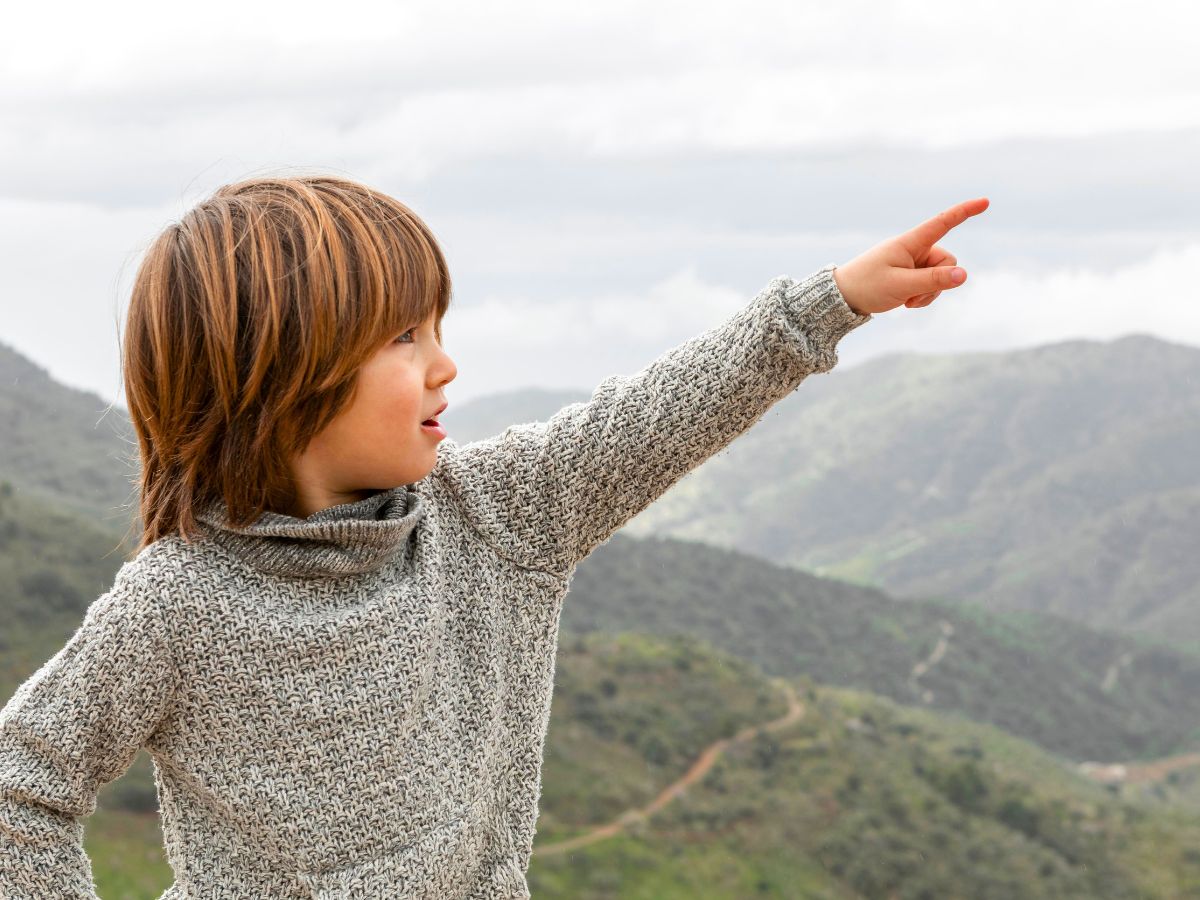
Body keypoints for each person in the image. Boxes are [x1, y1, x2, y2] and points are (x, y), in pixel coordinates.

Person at [0, 174, 987, 898]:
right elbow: (21, 788)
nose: (445, 366)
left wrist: (833, 301)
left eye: (438, 329)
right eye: (403, 337)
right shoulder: (176, 602)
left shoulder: (495, 516)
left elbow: (649, 417)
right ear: (283, 372)